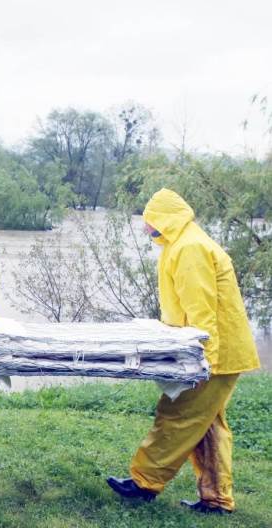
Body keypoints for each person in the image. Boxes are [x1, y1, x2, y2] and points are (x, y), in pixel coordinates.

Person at [106, 188, 261, 514]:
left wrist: (204, 360)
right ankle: (216, 499)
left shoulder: (190, 248)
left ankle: (144, 482)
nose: (145, 228)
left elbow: (201, 311)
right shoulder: (181, 244)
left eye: (148, 221)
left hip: (214, 356)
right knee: (207, 426)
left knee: (177, 414)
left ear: (165, 218)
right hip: (218, 352)